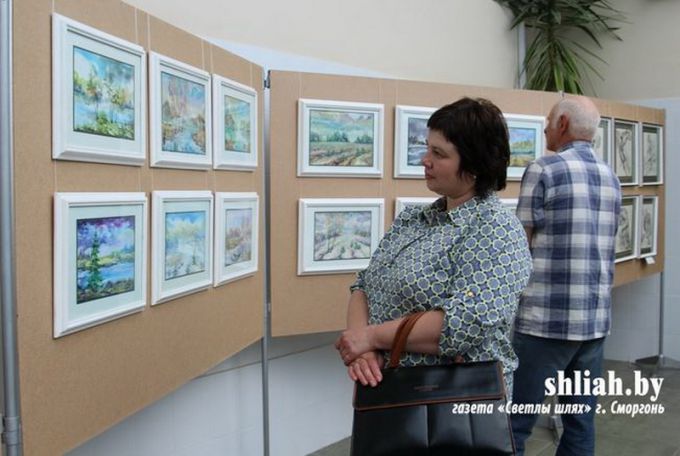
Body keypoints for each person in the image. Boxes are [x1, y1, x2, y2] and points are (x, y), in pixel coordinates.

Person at [334, 97, 533, 398]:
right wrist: (362, 347)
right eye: (427, 148)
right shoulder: (413, 219)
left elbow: (464, 323)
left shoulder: (497, 230)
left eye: (438, 154)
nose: (424, 160)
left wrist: (371, 337)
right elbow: (364, 285)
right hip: (391, 391)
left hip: (451, 404)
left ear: (475, 165)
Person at [511, 96, 621, 456]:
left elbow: (519, 246)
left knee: (514, 424)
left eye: (547, 120)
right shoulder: (611, 177)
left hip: (544, 325)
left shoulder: (544, 169)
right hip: (593, 325)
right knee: (579, 424)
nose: (544, 127)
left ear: (561, 124)